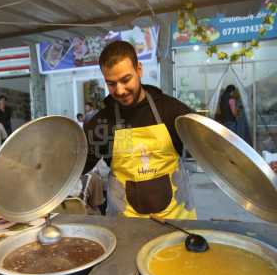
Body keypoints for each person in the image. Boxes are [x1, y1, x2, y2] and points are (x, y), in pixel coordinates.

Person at [83, 40, 197, 220]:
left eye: (126, 80)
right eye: (111, 83)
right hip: (126, 226)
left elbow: (209, 147)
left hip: (176, 221)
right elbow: (77, 165)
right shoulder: (102, 123)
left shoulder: (171, 111)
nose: (120, 90)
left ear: (139, 70)